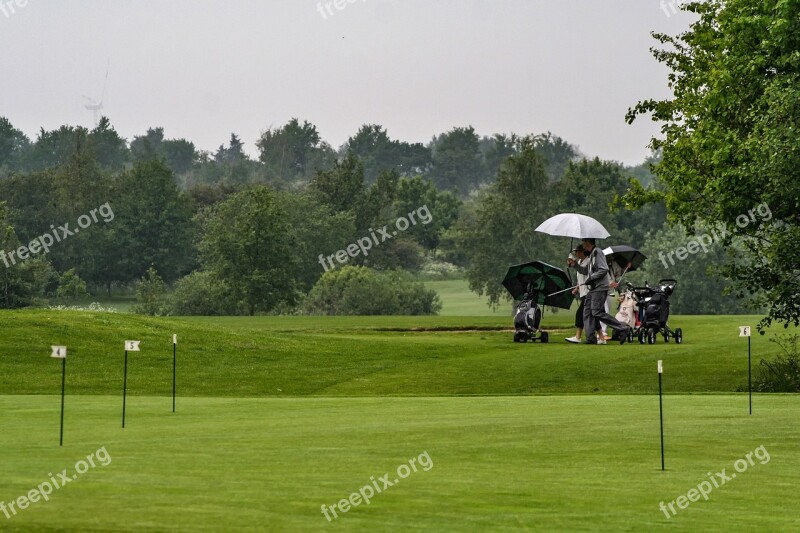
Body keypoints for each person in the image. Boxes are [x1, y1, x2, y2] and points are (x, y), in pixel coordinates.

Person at [573, 238, 631, 345]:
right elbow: (586, 271)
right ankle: (590, 338)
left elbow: (603, 269)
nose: (582, 244)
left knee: (596, 312)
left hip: (600, 287)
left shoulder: (597, 252)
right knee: (587, 311)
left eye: (583, 242)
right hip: (593, 288)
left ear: (588, 242)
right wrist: (575, 265)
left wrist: (591, 278)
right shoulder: (591, 255)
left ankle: (622, 328)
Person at [565, 245, 601, 343]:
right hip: (583, 292)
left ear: (582, 252)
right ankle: (601, 337)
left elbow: (585, 272)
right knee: (594, 315)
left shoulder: (588, 261)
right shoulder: (580, 262)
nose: (575, 253)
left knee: (580, 313)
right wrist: (577, 289)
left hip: (589, 292)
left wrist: (574, 264)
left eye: (577, 252)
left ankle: (578, 336)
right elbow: (580, 278)